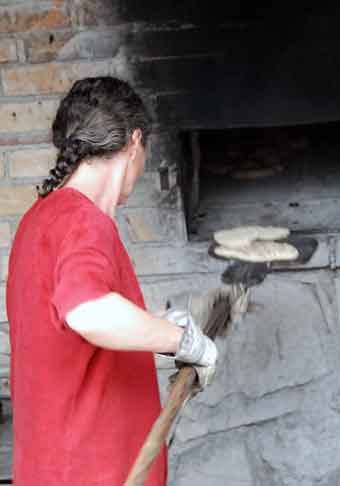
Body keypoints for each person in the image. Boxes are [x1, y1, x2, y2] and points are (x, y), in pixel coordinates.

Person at [6, 77, 217, 486]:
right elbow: (89, 312)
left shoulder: (42, 219)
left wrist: (157, 324)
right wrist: (182, 342)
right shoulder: (83, 222)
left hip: (51, 469)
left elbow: (69, 328)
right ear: (134, 142)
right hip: (93, 472)